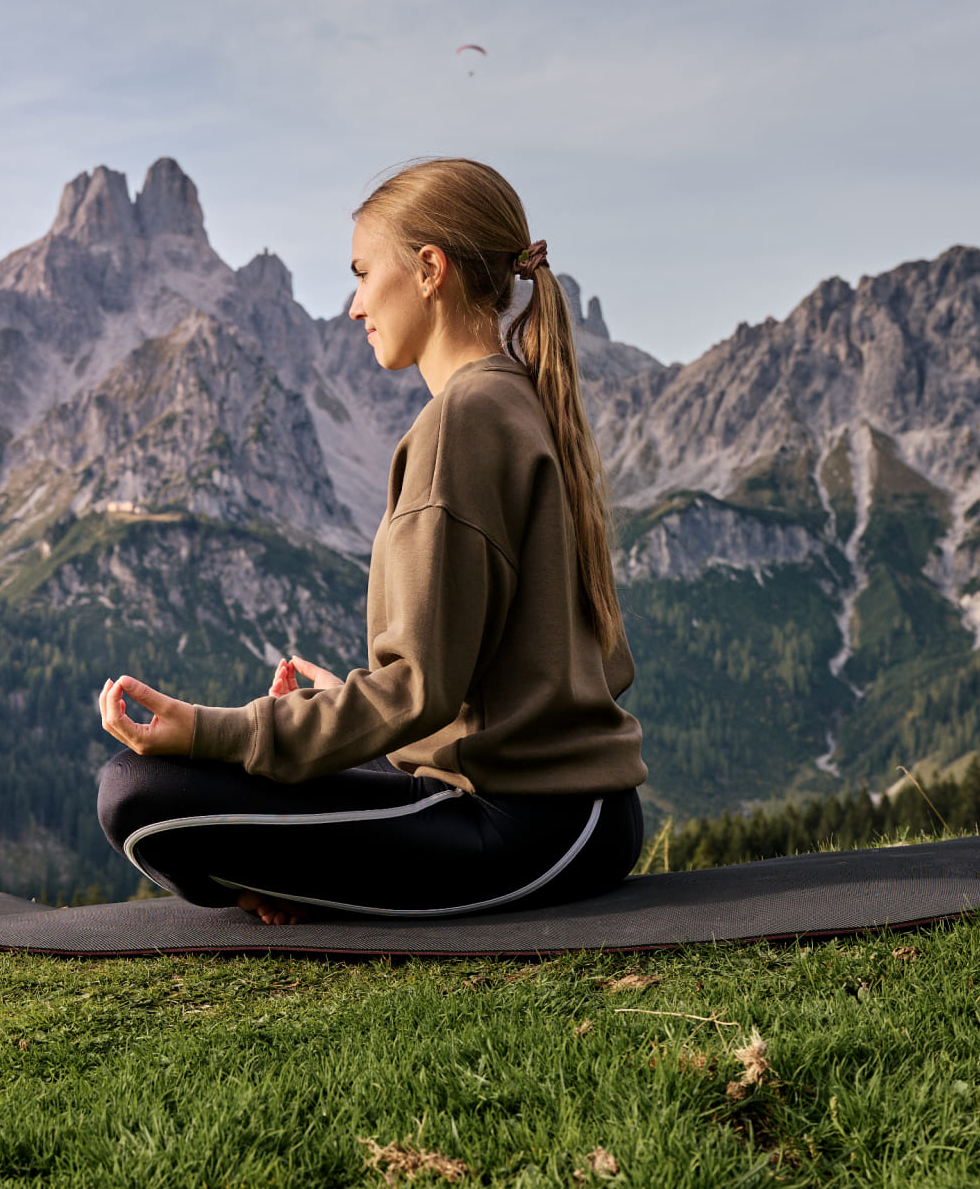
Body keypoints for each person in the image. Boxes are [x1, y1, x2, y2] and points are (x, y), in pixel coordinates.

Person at [94, 157, 647, 925]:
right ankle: (291, 878)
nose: (355, 306)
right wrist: (354, 703)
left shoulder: (463, 420)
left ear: (429, 270)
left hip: (527, 827)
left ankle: (286, 881)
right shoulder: (516, 393)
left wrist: (210, 728)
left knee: (137, 792)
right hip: (576, 815)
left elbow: (418, 688)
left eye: (362, 272)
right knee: (155, 789)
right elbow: (520, 673)